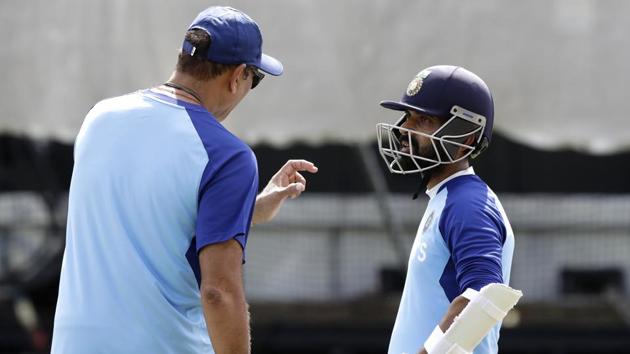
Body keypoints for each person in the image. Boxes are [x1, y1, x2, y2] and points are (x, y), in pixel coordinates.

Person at [51, 6, 317, 354]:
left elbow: (151, 211)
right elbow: (218, 291)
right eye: (256, 77)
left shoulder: (99, 118)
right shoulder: (228, 156)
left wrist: (248, 210)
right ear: (237, 76)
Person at [376, 65, 515, 354]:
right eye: (408, 117)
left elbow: (483, 302)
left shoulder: (468, 204)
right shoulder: (448, 197)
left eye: (423, 119)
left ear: (465, 137)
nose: (404, 130)